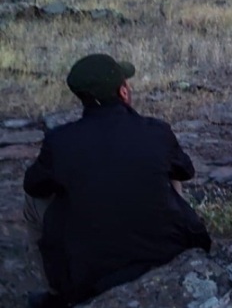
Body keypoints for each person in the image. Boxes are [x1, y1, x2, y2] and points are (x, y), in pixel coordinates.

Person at [23, 54, 211, 308]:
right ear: (123, 92)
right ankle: (168, 227)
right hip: (167, 250)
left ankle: (56, 290)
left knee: (33, 201)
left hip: (88, 271)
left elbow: (33, 186)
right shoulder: (156, 131)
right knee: (171, 172)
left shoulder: (60, 141)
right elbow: (186, 171)